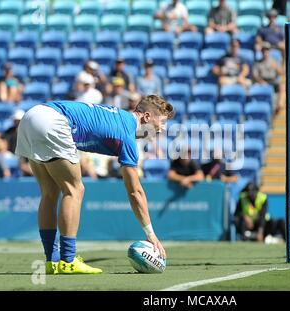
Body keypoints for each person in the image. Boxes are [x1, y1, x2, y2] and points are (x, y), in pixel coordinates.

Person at [15, 95, 173, 274]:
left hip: (30, 117)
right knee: (74, 190)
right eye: (161, 122)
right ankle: (68, 260)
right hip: (53, 121)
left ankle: (52, 261)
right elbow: (135, 191)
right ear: (146, 117)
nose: (161, 129)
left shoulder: (119, 117)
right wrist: (151, 234)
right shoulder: (127, 134)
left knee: (49, 193)